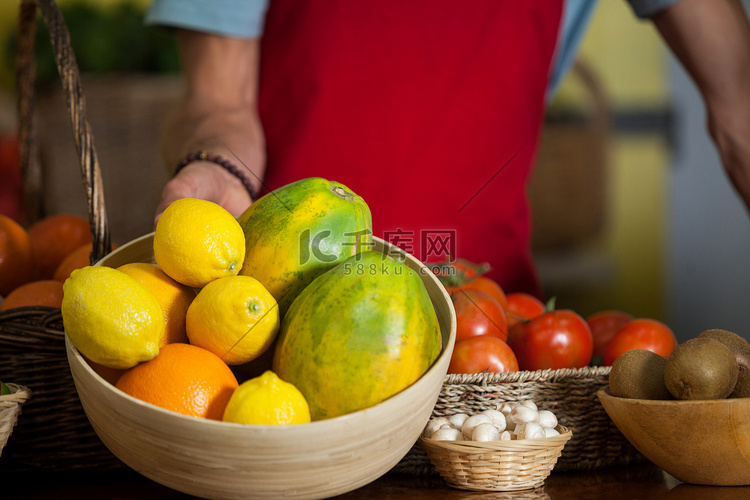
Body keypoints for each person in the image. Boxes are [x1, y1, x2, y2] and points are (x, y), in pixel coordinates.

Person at [146, 0, 750, 299]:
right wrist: (217, 162)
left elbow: (740, 106)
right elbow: (218, 103)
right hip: (282, 310)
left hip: (489, 329)